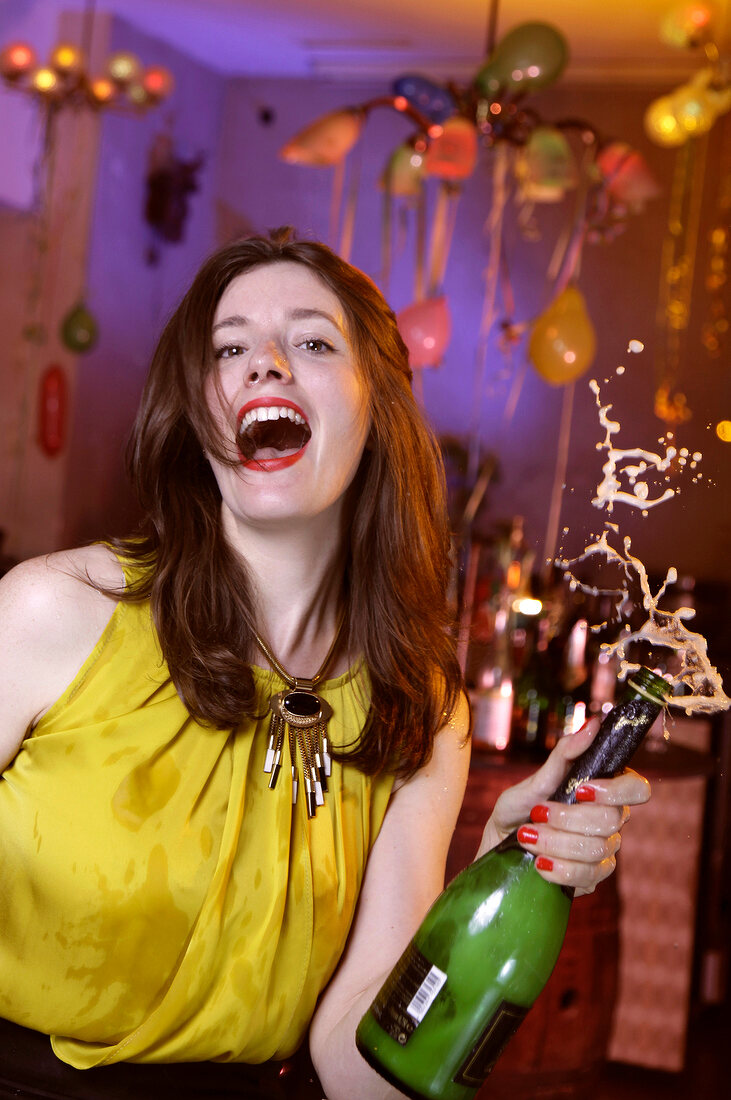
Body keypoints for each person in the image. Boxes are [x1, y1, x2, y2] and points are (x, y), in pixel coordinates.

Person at [0, 230, 650, 1100]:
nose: (263, 364)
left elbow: (359, 1074)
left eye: (310, 341)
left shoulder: (422, 707)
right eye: (229, 348)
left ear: (376, 406)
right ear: (200, 413)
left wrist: (501, 875)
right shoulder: (55, 610)